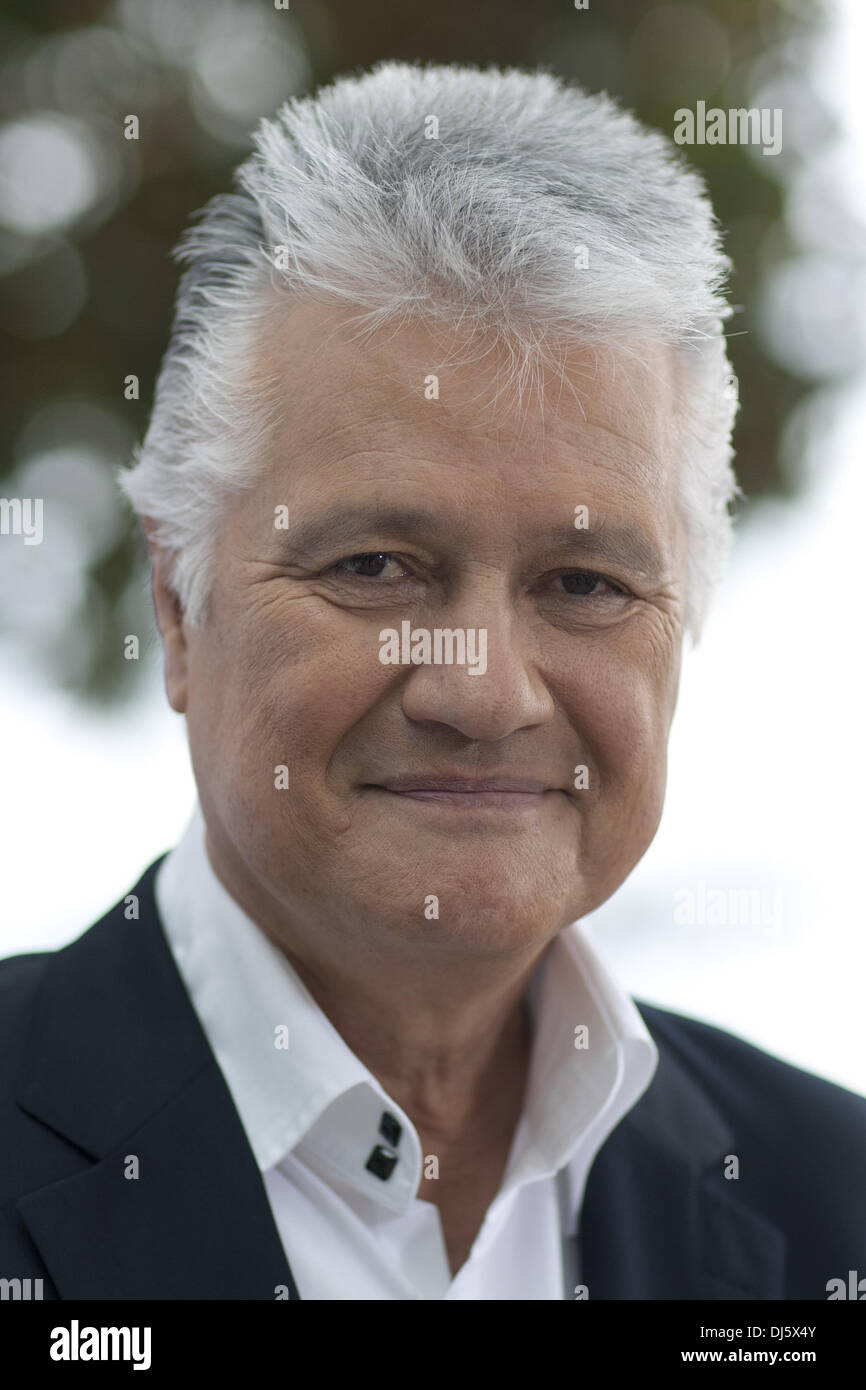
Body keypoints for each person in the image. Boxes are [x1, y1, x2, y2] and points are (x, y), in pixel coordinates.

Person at [1, 61, 863, 1301]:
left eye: (582, 584)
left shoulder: (833, 1207)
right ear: (177, 610)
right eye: (375, 566)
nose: (485, 693)